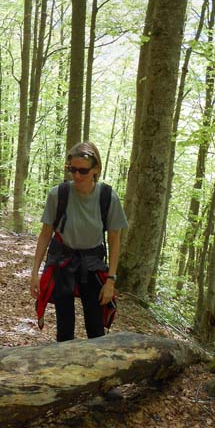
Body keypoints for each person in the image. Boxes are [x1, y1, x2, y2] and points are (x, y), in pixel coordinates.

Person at [30, 141, 128, 341]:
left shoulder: (108, 197)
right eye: (71, 170)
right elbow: (45, 234)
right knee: (64, 327)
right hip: (62, 262)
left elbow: (115, 239)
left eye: (82, 171)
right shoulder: (58, 194)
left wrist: (111, 280)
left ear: (96, 170)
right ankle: (65, 368)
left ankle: (96, 369)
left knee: (95, 328)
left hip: (92, 264)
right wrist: (35, 272)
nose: (76, 175)